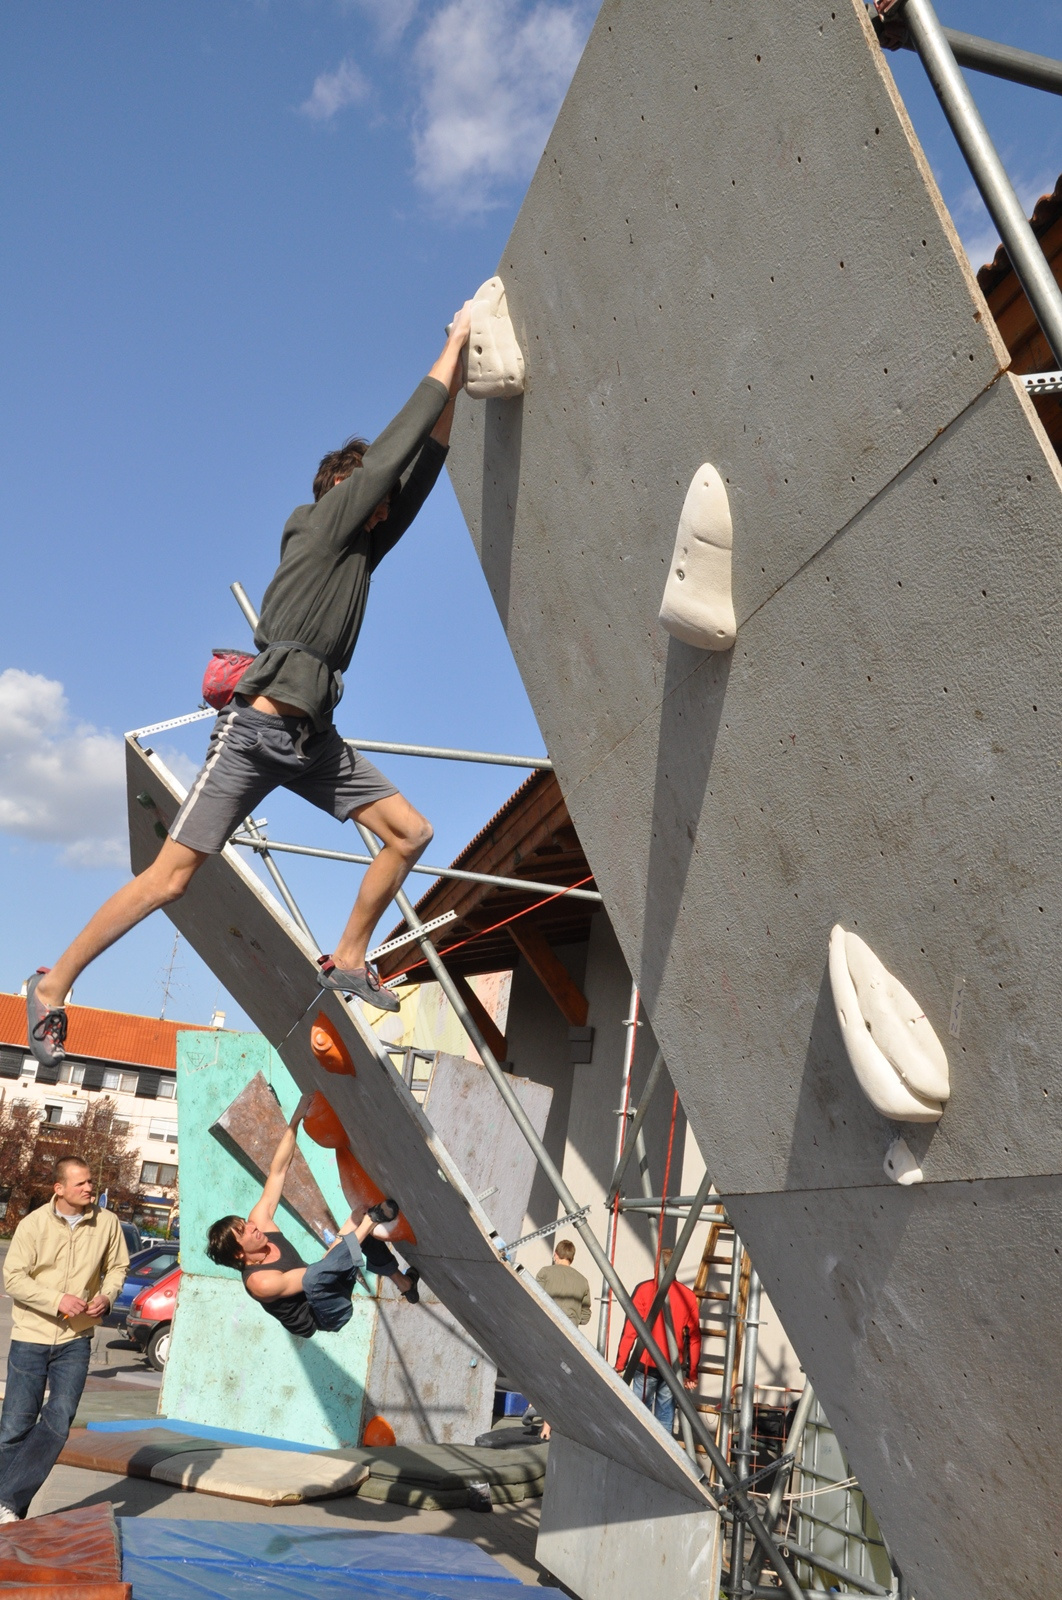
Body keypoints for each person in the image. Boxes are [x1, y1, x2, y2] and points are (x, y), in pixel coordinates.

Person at [26, 301, 475, 1065]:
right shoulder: (322, 522)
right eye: (373, 496)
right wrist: (456, 340)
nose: (385, 510)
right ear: (344, 490)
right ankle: (52, 984)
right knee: (171, 879)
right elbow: (396, 451)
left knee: (410, 833)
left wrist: (462, 377)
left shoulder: (360, 553)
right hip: (255, 730)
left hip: (312, 740)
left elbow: (423, 466)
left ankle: (350, 956)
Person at [205, 1093, 419, 1335]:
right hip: (325, 1315)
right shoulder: (261, 1282)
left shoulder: (260, 1222)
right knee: (331, 1260)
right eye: (245, 1231)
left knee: (358, 1232)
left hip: (327, 1280)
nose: (253, 1226)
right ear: (238, 1252)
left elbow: (278, 1171)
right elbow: (317, 1274)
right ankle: (372, 1221)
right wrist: (359, 1226)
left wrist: (296, 1117)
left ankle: (405, 1284)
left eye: (246, 1223)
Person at [0, 1157, 128, 1522]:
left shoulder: (107, 1223)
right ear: (59, 1189)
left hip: (77, 1337)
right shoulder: (33, 1224)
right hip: (31, 1337)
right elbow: (14, 1279)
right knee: (13, 1428)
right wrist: (57, 1300)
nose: (90, 1189)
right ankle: (11, 1512)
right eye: (81, 1184)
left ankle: (5, 1500)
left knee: (59, 1417)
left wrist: (108, 1294)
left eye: (91, 1182)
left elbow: (117, 1267)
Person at [614, 1248, 701, 1436]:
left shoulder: (644, 1290)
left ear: (657, 1266)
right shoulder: (688, 1296)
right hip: (671, 1365)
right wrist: (692, 1373)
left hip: (646, 1363)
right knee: (665, 1419)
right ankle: (663, 1461)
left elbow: (630, 1330)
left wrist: (620, 1364)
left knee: (640, 1417)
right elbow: (694, 1337)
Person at [535, 1239, 591, 1328]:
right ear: (571, 1258)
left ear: (555, 1254)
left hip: (545, 1325)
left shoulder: (545, 1272)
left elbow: (535, 1298)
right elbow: (585, 1316)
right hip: (570, 1331)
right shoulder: (583, 1281)